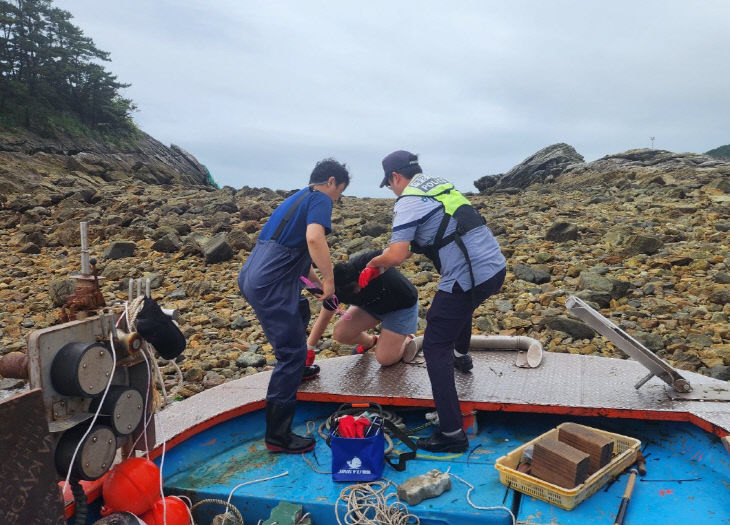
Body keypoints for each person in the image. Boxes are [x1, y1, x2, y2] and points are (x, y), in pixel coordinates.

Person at [361, 150, 506, 453]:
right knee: (459, 307)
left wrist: (374, 264)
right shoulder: (438, 186)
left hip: (468, 275)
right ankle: (462, 356)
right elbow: (427, 238)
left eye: (389, 186)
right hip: (493, 268)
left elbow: (398, 254)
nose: (392, 191)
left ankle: (451, 432)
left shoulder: (408, 201)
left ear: (395, 177)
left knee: (435, 343)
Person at [238, 158, 349, 453]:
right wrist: (329, 280)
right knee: (290, 355)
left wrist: (315, 288)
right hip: (270, 284)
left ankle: (298, 369)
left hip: (254, 274)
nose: (338, 198)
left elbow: (293, 253)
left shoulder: (295, 199)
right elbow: (314, 240)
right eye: (340, 191)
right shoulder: (320, 199)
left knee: (300, 308)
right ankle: (278, 436)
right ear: (331, 182)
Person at [306, 250, 419, 366]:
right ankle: (371, 341)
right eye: (352, 291)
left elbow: (395, 252)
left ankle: (408, 339)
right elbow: (324, 317)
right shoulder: (334, 289)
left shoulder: (364, 262)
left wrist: (377, 267)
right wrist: (309, 348)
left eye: (356, 286)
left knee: (385, 360)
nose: (358, 290)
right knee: (341, 333)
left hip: (401, 306)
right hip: (371, 307)